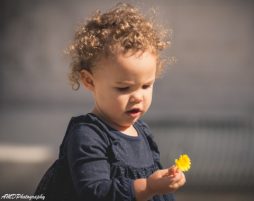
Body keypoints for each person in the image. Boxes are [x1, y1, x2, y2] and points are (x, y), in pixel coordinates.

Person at [35, 3, 185, 201]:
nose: (138, 96)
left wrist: (164, 181)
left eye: (146, 85)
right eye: (124, 88)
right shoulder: (87, 135)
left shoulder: (143, 132)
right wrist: (148, 186)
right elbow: (95, 192)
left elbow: (153, 183)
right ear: (89, 81)